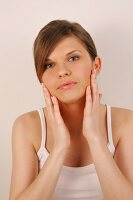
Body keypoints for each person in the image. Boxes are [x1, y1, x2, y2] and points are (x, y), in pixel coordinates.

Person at [9, 19, 133, 200]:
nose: (62, 71)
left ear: (96, 65)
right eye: (49, 65)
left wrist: (95, 138)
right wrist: (59, 148)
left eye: (73, 58)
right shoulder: (27, 126)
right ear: (40, 78)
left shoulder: (125, 122)